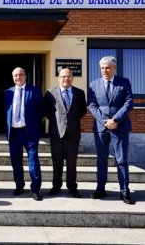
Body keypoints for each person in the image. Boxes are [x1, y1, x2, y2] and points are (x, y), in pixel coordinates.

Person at [88, 56, 134, 205]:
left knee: (121, 160)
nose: (105, 70)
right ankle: (100, 188)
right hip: (101, 128)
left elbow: (128, 103)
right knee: (101, 160)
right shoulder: (94, 85)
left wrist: (115, 120)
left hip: (119, 126)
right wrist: (105, 121)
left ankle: (124, 191)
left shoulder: (124, 82)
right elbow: (92, 105)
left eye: (107, 67)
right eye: (102, 68)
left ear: (114, 68)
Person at [44, 68, 87, 198]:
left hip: (73, 134)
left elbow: (83, 111)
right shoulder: (50, 93)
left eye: (68, 76)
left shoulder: (79, 93)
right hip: (57, 133)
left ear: (72, 78)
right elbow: (47, 112)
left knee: (72, 163)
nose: (66, 79)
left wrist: (71, 121)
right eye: (63, 76)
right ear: (59, 78)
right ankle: (56, 186)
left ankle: (72, 187)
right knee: (57, 162)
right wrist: (59, 122)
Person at [4, 67, 44, 201]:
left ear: (25, 76)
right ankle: (19, 186)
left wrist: (33, 124)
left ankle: (36, 189)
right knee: (16, 161)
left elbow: (41, 111)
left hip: (29, 132)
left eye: (20, 75)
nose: (18, 77)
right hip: (14, 132)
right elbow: (6, 111)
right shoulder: (8, 92)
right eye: (15, 75)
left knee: (33, 161)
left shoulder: (34, 91)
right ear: (12, 77)